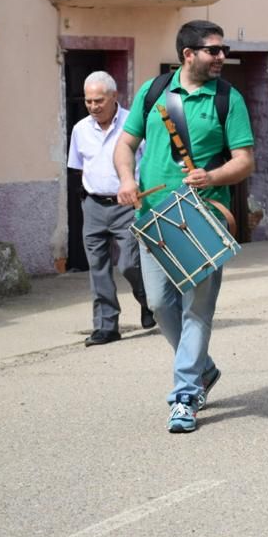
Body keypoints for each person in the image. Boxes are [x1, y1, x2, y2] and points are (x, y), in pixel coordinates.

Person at [115, 20, 255, 433]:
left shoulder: (229, 99)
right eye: (213, 50)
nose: (221, 57)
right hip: (154, 216)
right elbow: (125, 145)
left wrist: (212, 178)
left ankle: (185, 395)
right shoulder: (155, 91)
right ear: (188, 54)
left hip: (202, 215)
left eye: (223, 50)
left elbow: (244, 160)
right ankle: (204, 369)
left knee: (197, 309)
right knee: (159, 303)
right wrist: (126, 179)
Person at [68, 71, 153, 346]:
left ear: (114, 97)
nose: (93, 106)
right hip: (93, 204)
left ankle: (149, 300)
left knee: (129, 263)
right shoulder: (80, 129)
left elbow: (150, 161)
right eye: (89, 101)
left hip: (127, 205)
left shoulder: (134, 124)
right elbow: (78, 167)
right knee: (98, 268)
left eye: (99, 101)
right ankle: (106, 326)